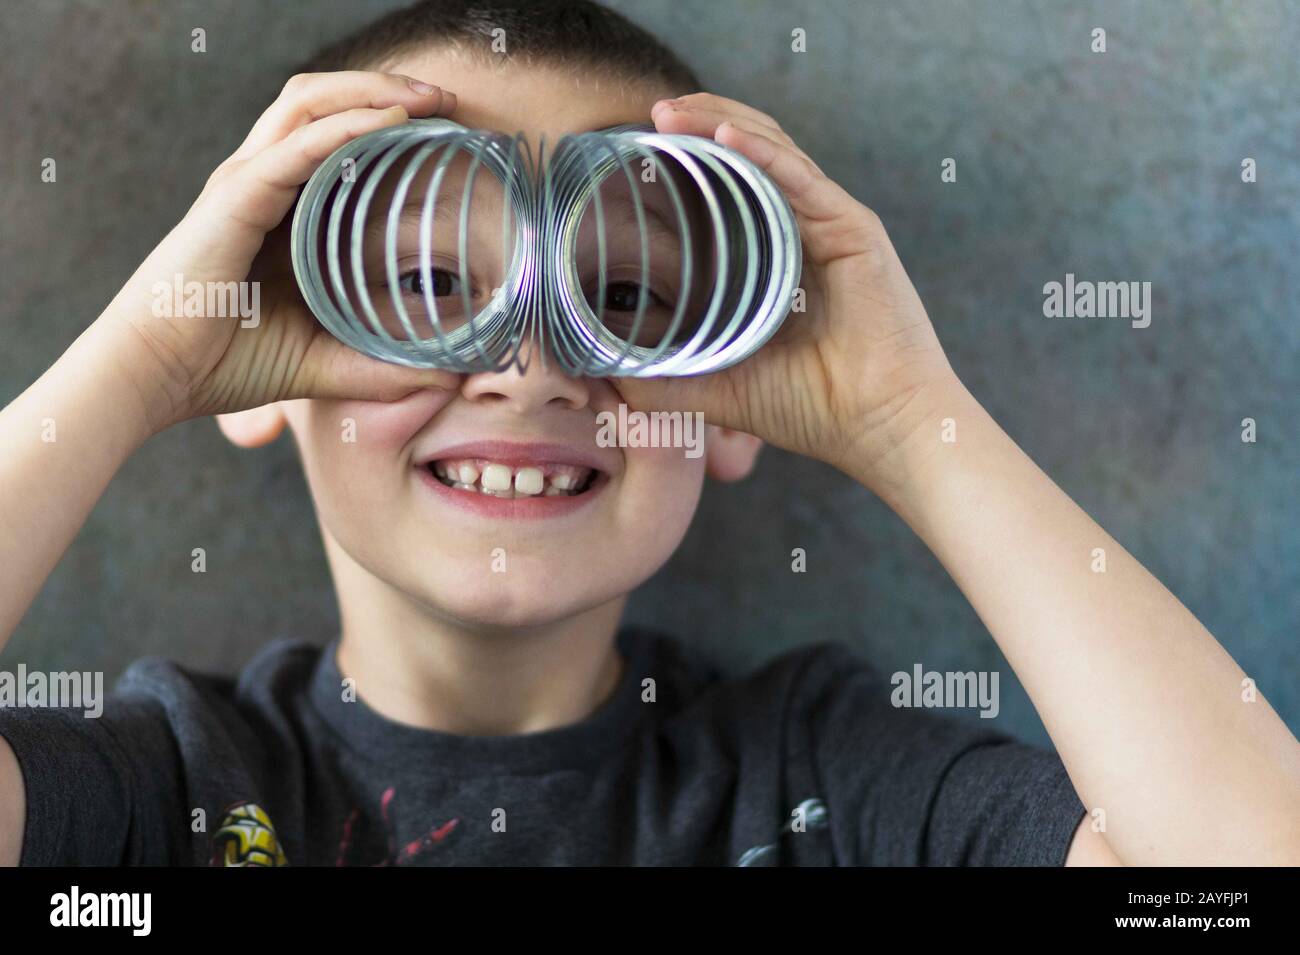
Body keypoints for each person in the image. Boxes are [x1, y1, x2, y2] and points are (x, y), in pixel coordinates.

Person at [0, 0, 1296, 867]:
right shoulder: (168, 784)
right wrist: (152, 353)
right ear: (272, 362)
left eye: (622, 301)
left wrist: (909, 421)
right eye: (427, 292)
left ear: (734, 399)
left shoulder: (824, 777)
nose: (530, 367)